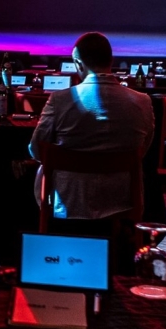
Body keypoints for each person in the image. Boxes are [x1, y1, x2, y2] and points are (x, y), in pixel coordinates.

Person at [29, 32, 155, 222]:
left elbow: (37, 150)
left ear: (78, 64)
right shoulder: (143, 102)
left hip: (67, 201)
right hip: (122, 198)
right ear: (111, 60)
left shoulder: (60, 100)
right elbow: (142, 150)